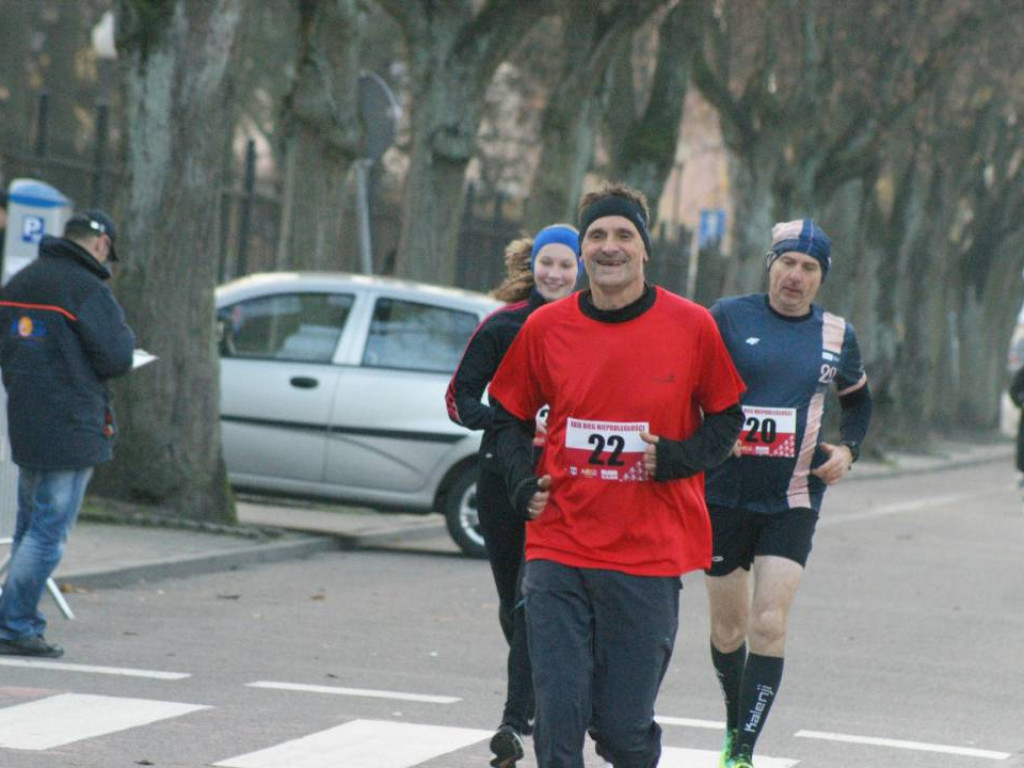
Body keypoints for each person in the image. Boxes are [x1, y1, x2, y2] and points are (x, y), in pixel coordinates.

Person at [489, 183, 746, 768]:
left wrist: (678, 458)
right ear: (582, 251)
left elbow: (728, 417)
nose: (610, 246)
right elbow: (507, 418)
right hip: (559, 545)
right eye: (597, 236)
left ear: (644, 249)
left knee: (624, 732)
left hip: (646, 556)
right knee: (558, 721)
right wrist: (521, 482)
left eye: (623, 235)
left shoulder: (692, 326)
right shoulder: (546, 328)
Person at [703, 219, 873, 768]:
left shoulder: (836, 334)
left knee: (769, 623)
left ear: (821, 277)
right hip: (723, 493)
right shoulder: (727, 317)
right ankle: (733, 723)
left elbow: (860, 401)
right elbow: (685, 383)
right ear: (769, 264)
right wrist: (707, 436)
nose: (796, 276)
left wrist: (848, 450)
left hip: (793, 496)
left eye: (809, 268)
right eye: (788, 263)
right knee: (728, 630)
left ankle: (743, 753)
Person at [446, 224, 581, 768]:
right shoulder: (503, 326)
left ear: (582, 270)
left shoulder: (591, 328)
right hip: (501, 479)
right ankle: (541, 696)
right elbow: (458, 398)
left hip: (565, 487)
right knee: (515, 606)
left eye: (565, 265)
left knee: (536, 603)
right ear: (534, 266)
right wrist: (512, 426)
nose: (554, 274)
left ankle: (514, 721)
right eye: (546, 263)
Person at [0, 209, 134, 658]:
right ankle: (14, 623)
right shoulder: (88, 290)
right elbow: (117, 357)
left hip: (25, 419)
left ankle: (15, 619)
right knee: (48, 534)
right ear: (100, 246)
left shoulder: (21, 282)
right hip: (73, 424)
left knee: (28, 528)